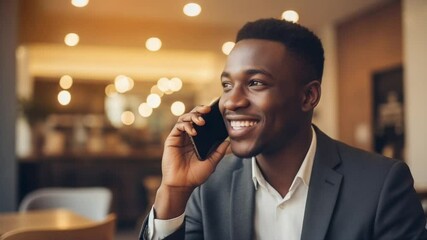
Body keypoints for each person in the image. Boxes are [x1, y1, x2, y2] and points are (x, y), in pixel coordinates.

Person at [139, 18, 427, 240]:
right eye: (227, 85)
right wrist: (173, 191)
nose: (231, 101)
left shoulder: (382, 185)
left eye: (255, 83)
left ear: (308, 97)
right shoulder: (209, 186)